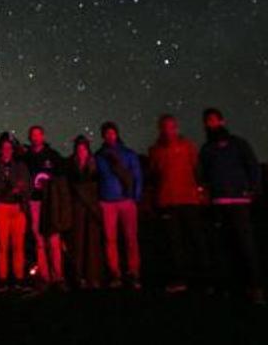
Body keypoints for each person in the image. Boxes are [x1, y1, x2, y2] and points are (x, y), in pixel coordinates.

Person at [199, 108, 264, 304]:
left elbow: (252, 165)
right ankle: (228, 286)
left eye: (213, 120)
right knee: (222, 248)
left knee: (245, 246)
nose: (210, 124)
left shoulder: (238, 144)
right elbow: (203, 174)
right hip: (218, 202)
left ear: (222, 121)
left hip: (239, 201)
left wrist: (252, 188)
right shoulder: (207, 148)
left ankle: (255, 287)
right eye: (207, 121)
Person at [147, 114, 208, 294]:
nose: (169, 130)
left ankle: (204, 278)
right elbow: (154, 175)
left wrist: (201, 191)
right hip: (167, 201)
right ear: (160, 128)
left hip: (188, 199)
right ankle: (179, 279)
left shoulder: (188, 146)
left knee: (196, 240)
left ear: (176, 127)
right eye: (165, 126)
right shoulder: (155, 150)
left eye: (172, 126)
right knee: (174, 243)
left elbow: (197, 170)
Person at [95, 122, 144, 290]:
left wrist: (135, 197)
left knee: (131, 239)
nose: (110, 136)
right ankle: (115, 273)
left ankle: (133, 272)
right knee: (111, 240)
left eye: (112, 133)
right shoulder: (99, 156)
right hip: (107, 201)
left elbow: (137, 175)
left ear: (116, 134)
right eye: (106, 133)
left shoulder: (128, 154)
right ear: (103, 136)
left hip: (126, 200)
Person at [0, 135, 32, 292]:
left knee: (18, 246)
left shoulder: (20, 166)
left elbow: (27, 186)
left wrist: (17, 191)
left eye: (9, 148)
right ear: (0, 150)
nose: (6, 151)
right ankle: (3, 279)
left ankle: (19, 279)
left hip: (18, 209)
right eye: (4, 148)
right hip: (1, 208)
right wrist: (12, 190)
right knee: (2, 246)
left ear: (12, 150)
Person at [20, 125, 66, 286]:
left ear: (43, 137)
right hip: (34, 202)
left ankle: (58, 276)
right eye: (32, 135)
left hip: (50, 202)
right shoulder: (26, 158)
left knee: (53, 239)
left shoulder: (52, 156)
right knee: (39, 240)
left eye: (38, 134)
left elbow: (61, 176)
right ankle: (45, 276)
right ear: (30, 137)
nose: (35, 137)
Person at [63, 135, 104, 290]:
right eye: (79, 149)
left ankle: (93, 276)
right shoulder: (70, 165)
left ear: (88, 150)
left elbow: (99, 185)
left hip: (91, 208)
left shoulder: (95, 165)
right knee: (78, 243)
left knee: (92, 244)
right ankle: (78, 276)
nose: (81, 151)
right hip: (77, 208)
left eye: (84, 149)